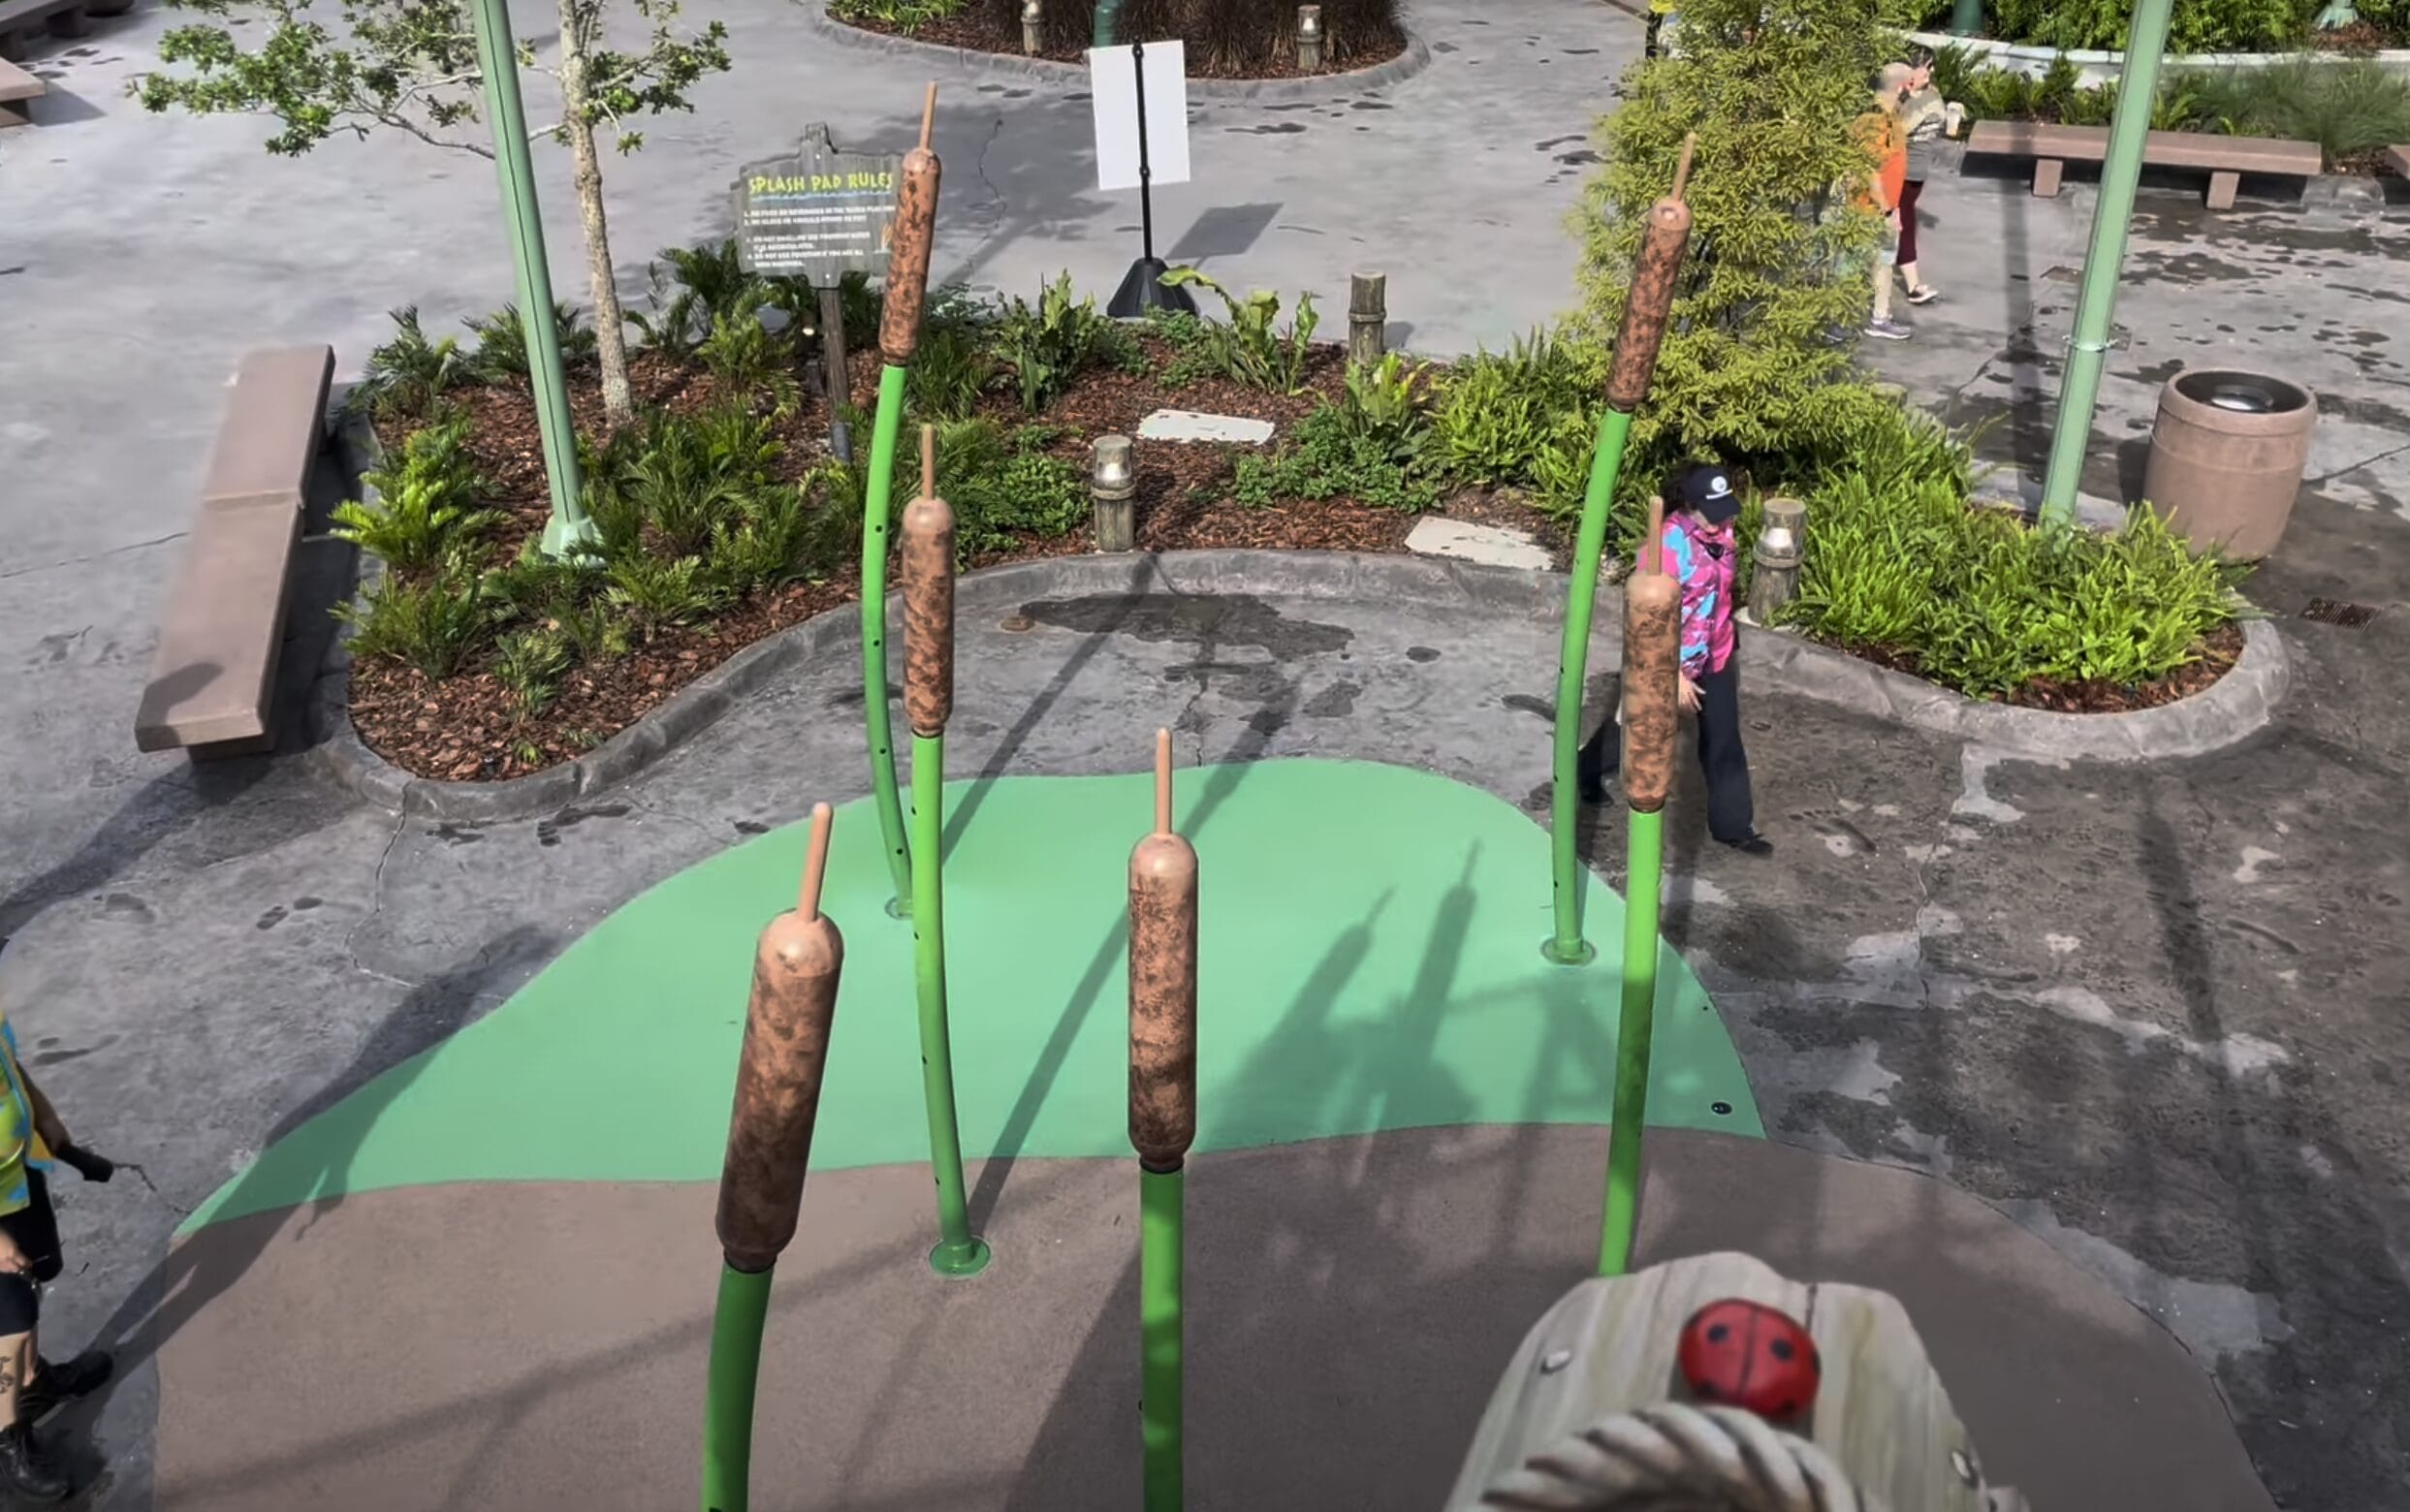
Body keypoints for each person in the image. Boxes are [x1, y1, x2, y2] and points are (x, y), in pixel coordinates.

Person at [1576, 464, 1773, 857]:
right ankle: (1585, 769)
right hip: (1664, 658)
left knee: (1723, 737)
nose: (1722, 521)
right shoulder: (1665, 547)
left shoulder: (1723, 532)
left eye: (1725, 510)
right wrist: (1675, 674)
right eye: (1713, 513)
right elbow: (1652, 621)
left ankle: (1734, 826)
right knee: (1635, 723)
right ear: (1689, 506)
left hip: (1715, 651)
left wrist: (1722, 645)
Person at [0, 971, 112, 1503]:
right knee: (8, 1322)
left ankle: (33, 1384)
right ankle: (8, 1437)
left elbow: (11, 1066)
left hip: (17, 1178)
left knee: (38, 1280)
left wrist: (48, 1123)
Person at [1854, 63, 1914, 342]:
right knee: (1849, 264)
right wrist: (1886, 207)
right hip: (1867, 210)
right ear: (1903, 87)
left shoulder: (1893, 117)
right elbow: (1870, 169)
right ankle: (1834, 320)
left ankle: (1880, 317)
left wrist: (1895, 207)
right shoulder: (1873, 120)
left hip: (1887, 207)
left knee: (1884, 262)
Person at [1894, 55, 1955, 306]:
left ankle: (1912, 286)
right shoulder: (1922, 97)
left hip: (1906, 172)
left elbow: (1897, 131)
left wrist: (1898, 98)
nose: (1931, 70)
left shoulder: (1927, 99)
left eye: (1931, 65)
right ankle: (1912, 285)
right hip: (1907, 172)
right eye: (1926, 66)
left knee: (1900, 222)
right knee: (1902, 222)